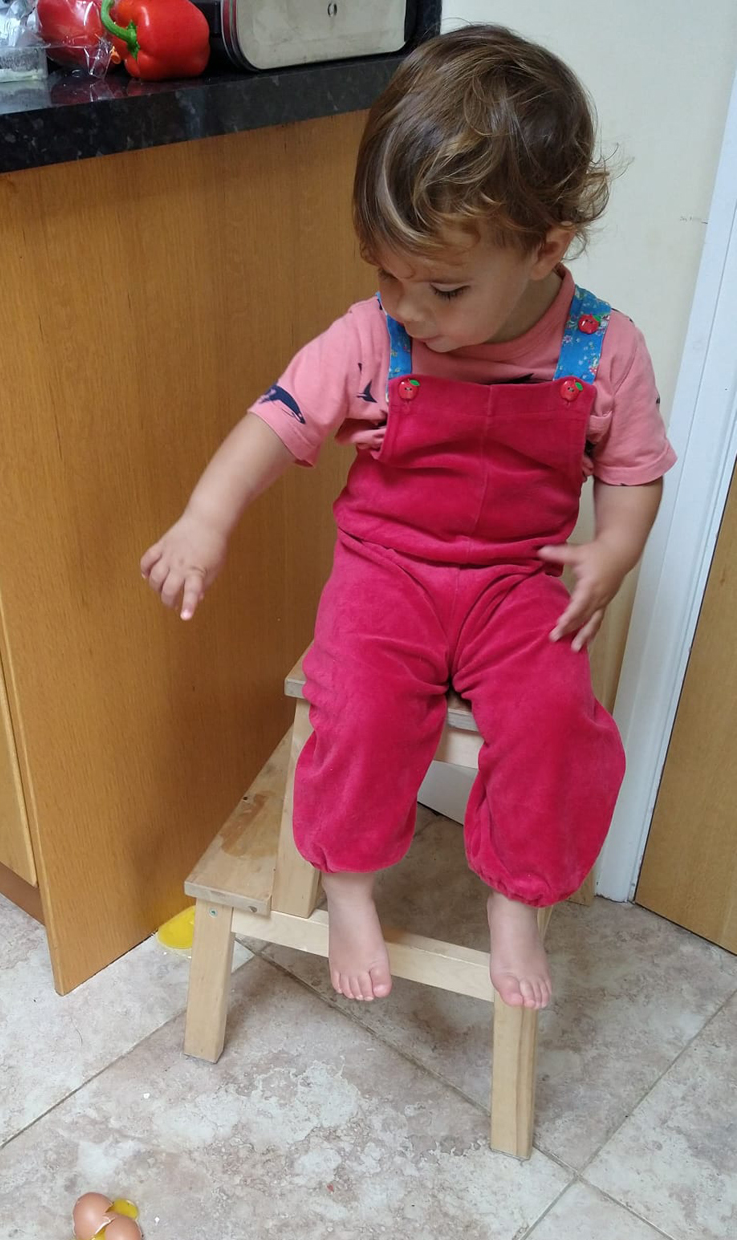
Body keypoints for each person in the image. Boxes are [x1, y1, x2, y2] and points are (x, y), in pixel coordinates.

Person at [141, 24, 675, 1012]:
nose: (407, 308)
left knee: (559, 718)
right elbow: (276, 421)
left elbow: (635, 469)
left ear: (544, 250)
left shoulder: (604, 351)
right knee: (360, 707)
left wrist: (616, 546)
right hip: (387, 573)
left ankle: (515, 896)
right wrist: (205, 517)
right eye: (386, 274)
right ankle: (349, 887)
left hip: (519, 583)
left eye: (442, 287)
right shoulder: (371, 338)